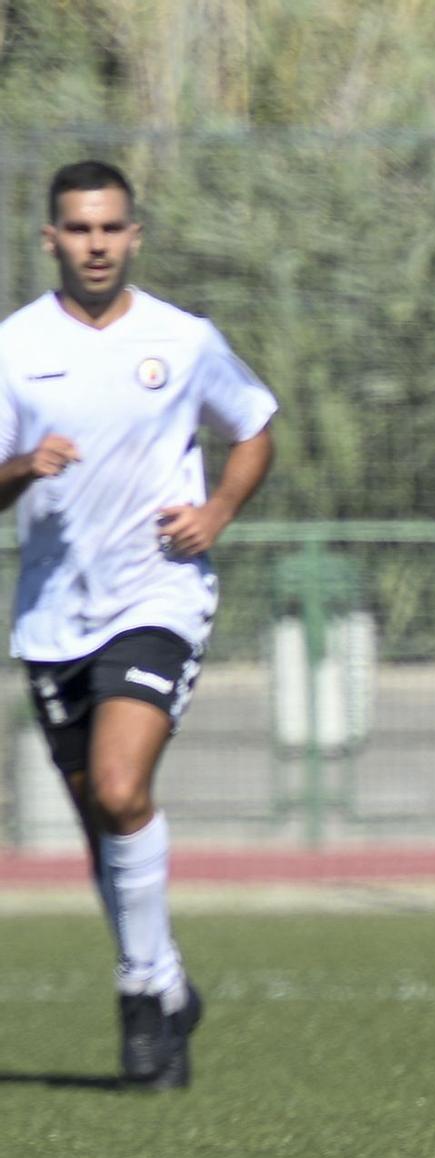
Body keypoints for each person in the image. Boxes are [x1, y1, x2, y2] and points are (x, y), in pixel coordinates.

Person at [0, 161, 278, 1089]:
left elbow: (255, 424)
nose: (96, 245)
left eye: (111, 229)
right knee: (101, 825)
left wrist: (220, 513)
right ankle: (166, 986)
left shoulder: (183, 338)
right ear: (51, 239)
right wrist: (22, 468)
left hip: (157, 597)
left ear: (134, 234)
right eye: (79, 230)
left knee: (121, 788)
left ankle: (136, 991)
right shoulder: (15, 347)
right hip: (50, 620)